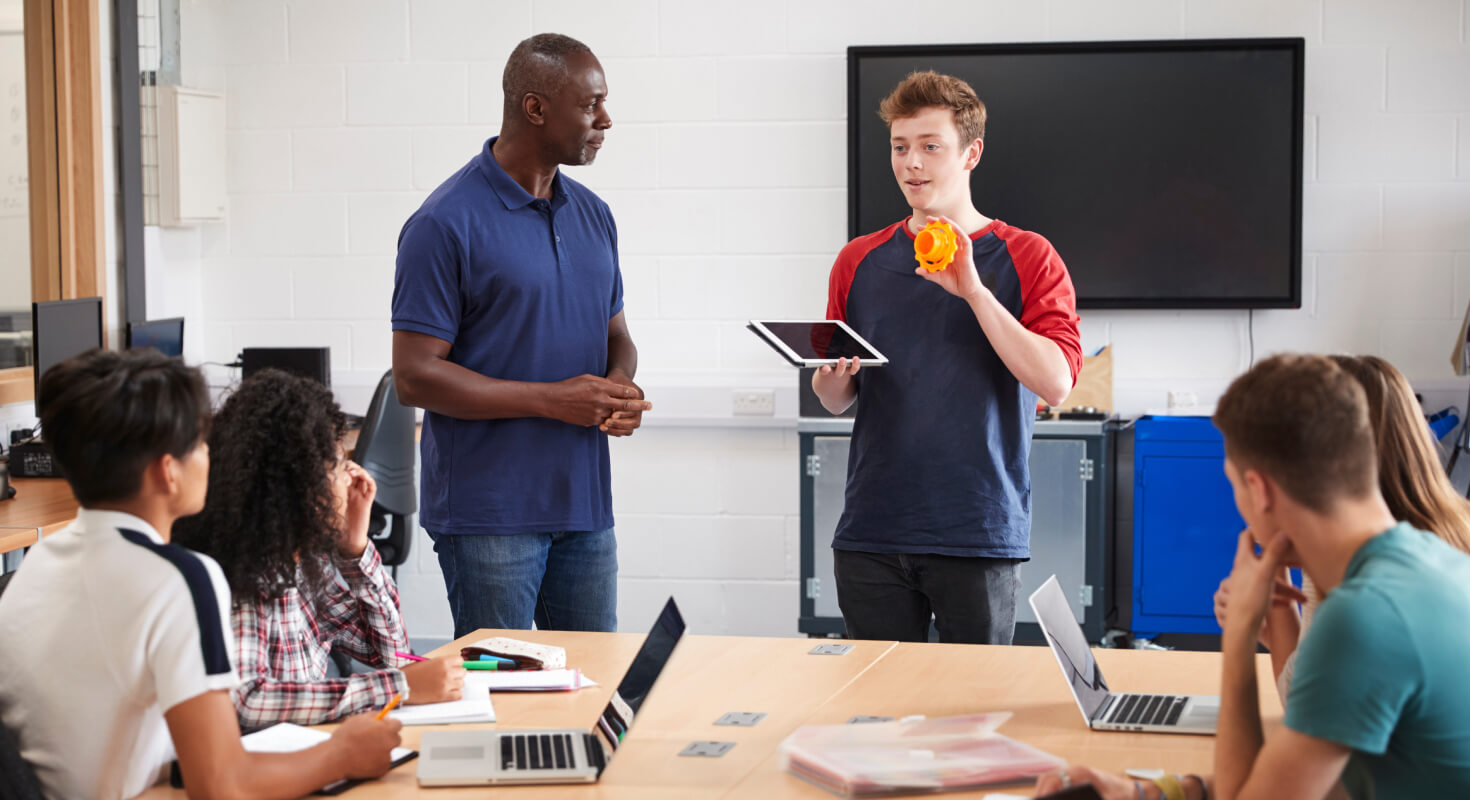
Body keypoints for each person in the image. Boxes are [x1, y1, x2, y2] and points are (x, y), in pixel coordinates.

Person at [1038, 354, 1470, 799]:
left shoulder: (1363, 619)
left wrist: (1240, 638)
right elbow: (1312, 783)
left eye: (1233, 485)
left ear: (1261, 490)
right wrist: (1148, 793)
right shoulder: (1436, 564)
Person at [0, 349, 401, 800]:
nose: (212, 454)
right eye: (199, 442)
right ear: (167, 472)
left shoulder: (38, 560)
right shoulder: (180, 579)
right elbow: (220, 784)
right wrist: (343, 754)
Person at [392, 32, 650, 638]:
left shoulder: (594, 214)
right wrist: (554, 399)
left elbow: (617, 334)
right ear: (534, 109)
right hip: (490, 515)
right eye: (590, 104)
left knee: (594, 690)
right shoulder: (443, 222)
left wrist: (618, 389)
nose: (605, 119)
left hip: (584, 507)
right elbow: (414, 375)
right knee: (502, 700)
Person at [811, 70, 1081, 644]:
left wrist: (974, 292)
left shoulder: (1029, 256)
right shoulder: (858, 260)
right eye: (901, 147)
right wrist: (830, 380)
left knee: (974, 717)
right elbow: (836, 400)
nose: (912, 163)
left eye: (930, 147)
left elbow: (1056, 383)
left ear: (970, 153)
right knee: (878, 720)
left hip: (976, 531)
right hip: (872, 532)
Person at [173, 370, 464, 731]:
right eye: (337, 463)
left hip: (307, 747)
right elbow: (246, 701)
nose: (349, 475)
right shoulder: (246, 570)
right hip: (269, 766)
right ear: (297, 483)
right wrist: (397, 688)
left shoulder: (308, 563)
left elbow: (392, 654)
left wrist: (356, 547)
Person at [1214, 354, 1470, 699]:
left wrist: (1239, 643)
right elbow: (1312, 698)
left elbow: (1306, 698)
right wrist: (1271, 609)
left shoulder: (1367, 600)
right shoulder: (1435, 542)